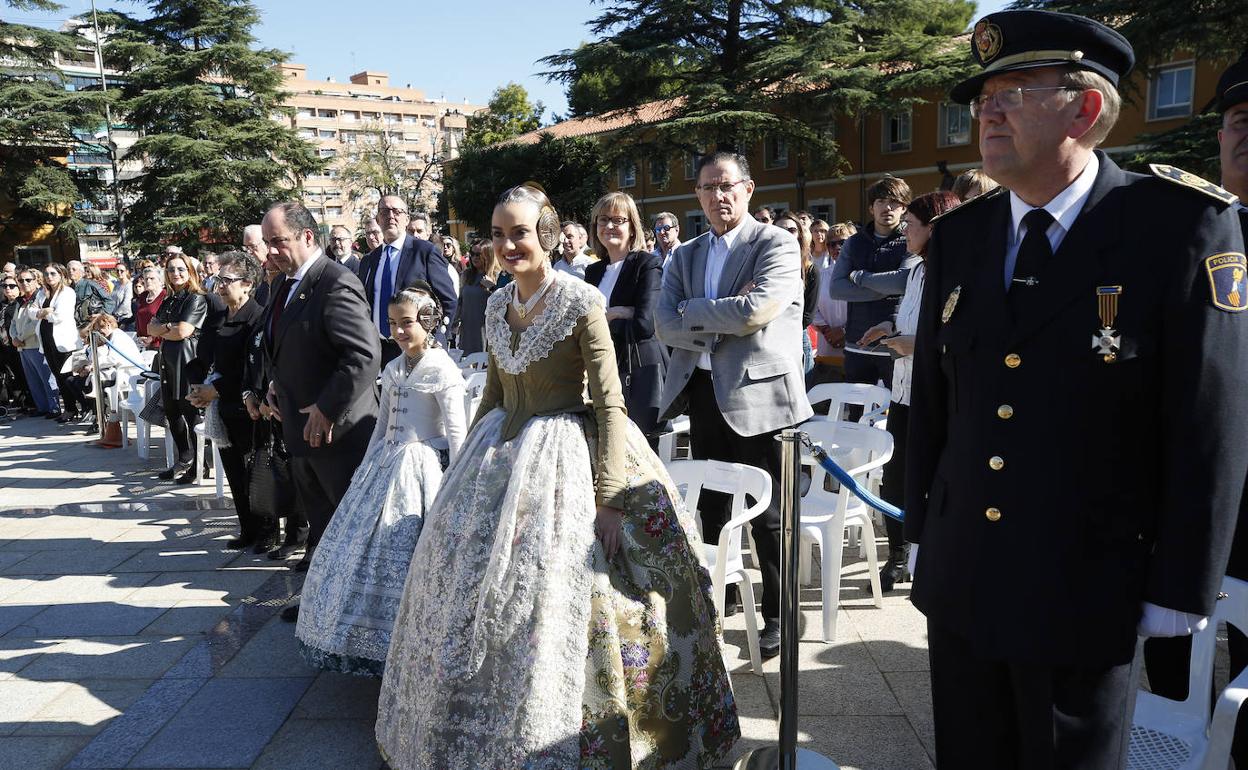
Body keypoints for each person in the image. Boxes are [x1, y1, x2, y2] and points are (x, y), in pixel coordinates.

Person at [905, 12, 1248, 768]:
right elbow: (934, 398)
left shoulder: (1178, 228)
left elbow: (1209, 422)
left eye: (1013, 93)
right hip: (964, 575)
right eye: (981, 98)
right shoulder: (963, 237)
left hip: (1087, 585)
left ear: (1086, 110)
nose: (987, 113)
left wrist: (1181, 585)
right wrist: (921, 527)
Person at [376, 183, 739, 769]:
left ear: (544, 233)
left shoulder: (579, 300)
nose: (508, 244)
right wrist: (463, 476)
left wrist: (612, 497)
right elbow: (493, 394)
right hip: (502, 450)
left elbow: (610, 403)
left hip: (571, 452)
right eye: (497, 234)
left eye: (519, 232)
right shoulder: (496, 304)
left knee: (580, 591)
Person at [655, 151, 814, 659]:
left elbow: (756, 311)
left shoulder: (777, 244)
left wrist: (694, 312)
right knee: (712, 506)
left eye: (727, 186)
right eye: (708, 187)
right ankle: (719, 598)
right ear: (697, 196)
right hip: (704, 394)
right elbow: (664, 323)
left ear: (748, 189)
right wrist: (717, 312)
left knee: (770, 517)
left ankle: (781, 615)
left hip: (762, 397)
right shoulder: (685, 255)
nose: (718, 196)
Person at [1144, 51, 1248, 769]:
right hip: (1182, 491)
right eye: (1240, 119)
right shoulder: (1186, 227)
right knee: (1170, 675)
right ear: (1220, 137)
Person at [297, 288, 466, 675]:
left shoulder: (441, 369)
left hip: (422, 465)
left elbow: (458, 434)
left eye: (407, 322)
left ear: (427, 321)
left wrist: (457, 484)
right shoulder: (394, 368)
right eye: (392, 323)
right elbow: (381, 427)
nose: (399, 331)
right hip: (387, 463)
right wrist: (366, 465)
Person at [255, 202, 379, 608]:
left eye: (278, 242)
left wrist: (326, 408)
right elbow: (286, 345)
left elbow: (362, 355)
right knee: (321, 526)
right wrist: (275, 382)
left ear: (307, 237)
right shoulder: (282, 283)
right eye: (268, 243)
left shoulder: (335, 281)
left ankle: (354, 612)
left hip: (338, 434)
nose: (270, 251)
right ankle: (325, 607)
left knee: (347, 526)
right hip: (300, 430)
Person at [857, 191, 959, 591]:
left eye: (911, 226)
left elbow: (959, 336)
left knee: (933, 479)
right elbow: (908, 316)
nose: (904, 234)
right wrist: (888, 328)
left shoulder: (954, 271)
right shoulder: (915, 269)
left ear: (932, 228)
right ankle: (897, 556)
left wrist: (915, 346)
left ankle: (932, 556)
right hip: (903, 391)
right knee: (896, 477)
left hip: (935, 395)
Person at [186, 251, 276, 553]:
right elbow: (202, 358)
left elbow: (251, 367)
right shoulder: (217, 316)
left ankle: (267, 531)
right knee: (234, 471)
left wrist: (217, 389)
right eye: (218, 281)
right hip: (221, 407)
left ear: (247, 284)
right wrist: (197, 387)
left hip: (247, 405)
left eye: (227, 281)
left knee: (255, 470)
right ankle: (247, 528)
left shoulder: (257, 317)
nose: (221, 287)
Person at [583, 191, 668, 442]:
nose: (609, 226)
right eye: (602, 220)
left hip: (637, 371)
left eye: (618, 220)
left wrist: (605, 317)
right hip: (601, 371)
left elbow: (644, 324)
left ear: (632, 227)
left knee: (638, 452)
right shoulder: (593, 271)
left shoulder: (646, 264)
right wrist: (619, 312)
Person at [829, 177, 911, 388]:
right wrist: (885, 287)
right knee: (855, 415)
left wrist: (859, 277)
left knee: (897, 414)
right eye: (881, 201)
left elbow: (902, 282)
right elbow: (836, 289)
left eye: (895, 202)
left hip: (896, 344)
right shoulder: (854, 242)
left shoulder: (911, 239)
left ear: (903, 208)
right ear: (871, 208)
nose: (888, 207)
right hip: (857, 343)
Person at [358, 195, 457, 363]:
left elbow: (448, 299)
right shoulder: (369, 260)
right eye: (384, 212)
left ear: (406, 219)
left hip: (418, 348)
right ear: (378, 219)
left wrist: (437, 338)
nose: (390, 216)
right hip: (379, 349)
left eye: (397, 211)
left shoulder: (424, 252)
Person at [149, 256, 208, 483]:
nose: (176, 273)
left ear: (190, 271)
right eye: (171, 269)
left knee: (190, 413)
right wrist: (166, 328)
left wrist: (162, 329)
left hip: (187, 361)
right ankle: (184, 459)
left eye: (181, 269)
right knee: (172, 413)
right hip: (167, 361)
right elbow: (149, 328)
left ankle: (200, 465)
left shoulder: (196, 299)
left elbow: (183, 331)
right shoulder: (169, 300)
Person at [30, 263, 83, 422]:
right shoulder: (42, 293)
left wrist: (42, 313)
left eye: (53, 273)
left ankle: (86, 406)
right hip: (47, 340)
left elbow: (59, 316)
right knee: (59, 378)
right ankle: (69, 409)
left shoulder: (67, 292)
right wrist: (44, 312)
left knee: (68, 377)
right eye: (46, 274)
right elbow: (31, 312)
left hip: (64, 341)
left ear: (61, 275)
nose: (49, 277)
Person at [807, 221, 852, 386]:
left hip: (856, 347)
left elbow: (864, 309)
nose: (837, 247)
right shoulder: (821, 275)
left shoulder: (861, 276)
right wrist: (828, 332)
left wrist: (844, 332)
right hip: (827, 348)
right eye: (832, 244)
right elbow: (813, 308)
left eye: (843, 242)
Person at [10, 268, 58, 417]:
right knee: (33, 380)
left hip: (36, 344)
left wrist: (21, 337)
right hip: (22, 347)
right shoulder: (21, 301)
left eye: (28, 280)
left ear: (36, 280)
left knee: (46, 378)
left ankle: (54, 408)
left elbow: (36, 322)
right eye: (21, 281)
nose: (24, 283)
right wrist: (14, 337)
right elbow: (13, 322)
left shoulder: (40, 297)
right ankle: (42, 407)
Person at [774, 211, 818, 374]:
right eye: (780, 230)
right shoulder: (761, 266)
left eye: (791, 230)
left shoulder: (810, 269)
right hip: (768, 342)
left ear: (799, 234)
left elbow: (808, 316)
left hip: (797, 340)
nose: (786, 235)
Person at [451, 242, 497, 355]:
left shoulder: (497, 275)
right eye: (472, 254)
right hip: (468, 327)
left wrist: (492, 287)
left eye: (478, 254)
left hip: (486, 329)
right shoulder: (467, 274)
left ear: (488, 255)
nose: (474, 257)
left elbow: (504, 302)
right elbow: (461, 300)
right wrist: (454, 321)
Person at [0, 274, 30, 412]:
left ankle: (28, 401)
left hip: (18, 344)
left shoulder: (20, 303)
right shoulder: (2, 305)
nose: (8, 289)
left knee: (22, 374)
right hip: (3, 347)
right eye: (5, 286)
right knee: (11, 375)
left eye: (12, 286)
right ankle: (18, 401)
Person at [134, 266, 167, 348]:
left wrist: (152, 338)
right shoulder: (143, 296)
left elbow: (167, 324)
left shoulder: (166, 296)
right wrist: (139, 337)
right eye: (146, 279)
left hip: (160, 344)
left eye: (152, 278)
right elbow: (138, 318)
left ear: (161, 281)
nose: (148, 281)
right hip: (143, 343)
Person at [111, 264, 135, 330]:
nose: (119, 273)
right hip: (115, 318)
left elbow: (126, 303)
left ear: (126, 271)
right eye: (117, 271)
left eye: (122, 271)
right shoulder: (116, 284)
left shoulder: (129, 285)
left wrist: (115, 314)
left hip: (125, 319)